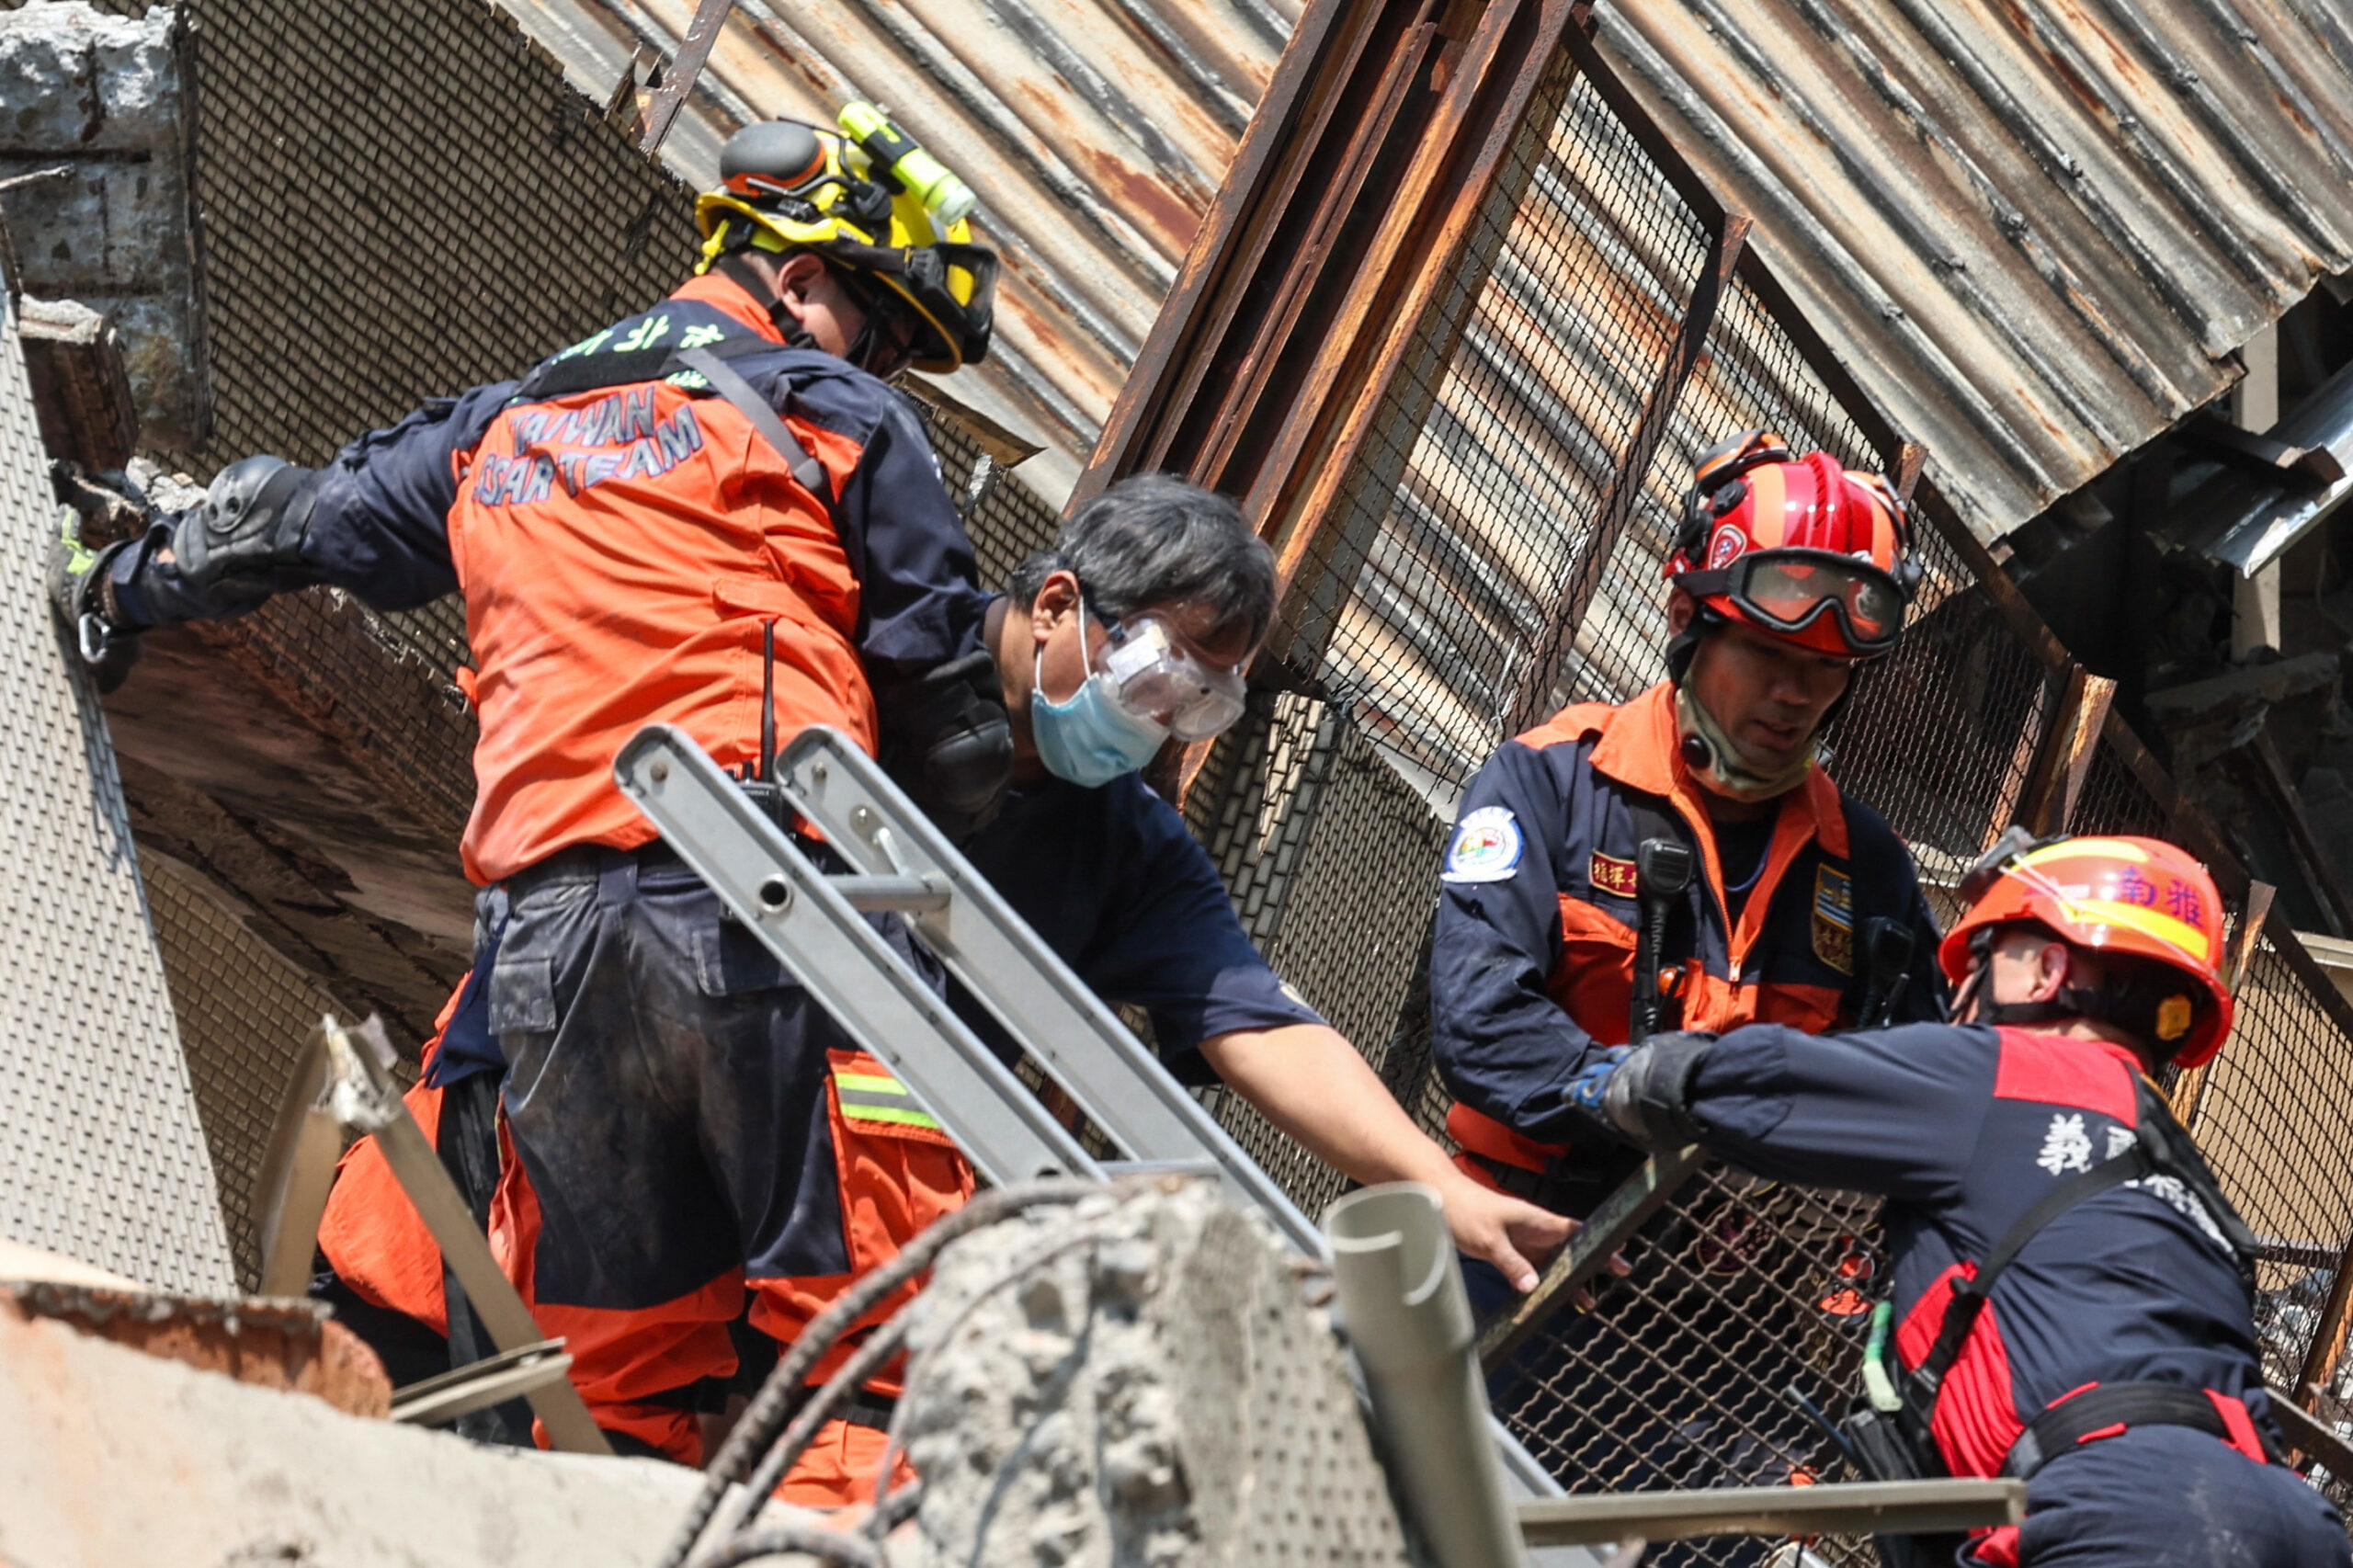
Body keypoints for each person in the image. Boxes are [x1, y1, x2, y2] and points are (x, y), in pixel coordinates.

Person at [309, 473, 1581, 1501]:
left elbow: (1254, 1017)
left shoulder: (1123, 844)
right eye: (1154, 675)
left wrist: (1439, 1183)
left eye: (1197, 702)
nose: (1157, 723)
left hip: (756, 1308)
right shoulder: (848, 683)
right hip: (527, 1189)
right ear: (1058, 603)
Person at [52, 110, 1014, 1468]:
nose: (891, 363)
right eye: (891, 329)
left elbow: (280, 522)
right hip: (775, 896)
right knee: (862, 1366)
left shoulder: (509, 419)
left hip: (549, 947)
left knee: (609, 1382)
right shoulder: (839, 410)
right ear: (802, 281)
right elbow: (953, 733)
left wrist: (110, 587)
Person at [1565, 832, 2349, 1568]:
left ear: (2044, 971)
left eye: (1982, 958)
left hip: (2115, 1509)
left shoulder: (2003, 1072)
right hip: (2290, 1524)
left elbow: (1746, 1083)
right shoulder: (2197, 1194)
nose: (1960, 995)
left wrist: (1606, 1080)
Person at [1425, 432, 1949, 1517]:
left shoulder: (1869, 865)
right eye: (1767, 656)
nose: (1796, 694)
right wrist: (1636, 1095)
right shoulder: (1550, 785)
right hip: (1516, 1248)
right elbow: (1478, 1025)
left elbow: (1917, 1084)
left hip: (1720, 1319)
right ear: (1683, 619)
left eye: (1826, 672)